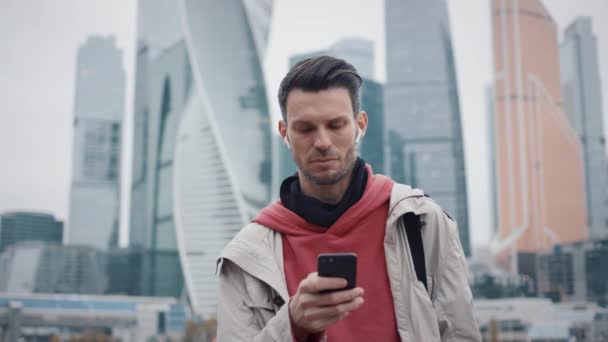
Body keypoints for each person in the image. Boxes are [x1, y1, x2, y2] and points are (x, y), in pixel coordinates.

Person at [217, 56, 480, 341]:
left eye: (336, 125)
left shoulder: (423, 223)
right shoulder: (245, 256)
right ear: (284, 133)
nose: (322, 142)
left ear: (360, 125)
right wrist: (292, 324)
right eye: (305, 129)